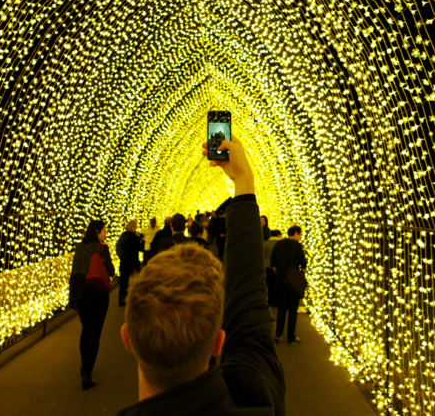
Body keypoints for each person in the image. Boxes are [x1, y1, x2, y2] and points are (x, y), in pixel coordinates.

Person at [117, 135, 285, 416]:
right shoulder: (257, 398)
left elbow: (248, 302)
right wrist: (244, 182)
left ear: (128, 338)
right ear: (217, 342)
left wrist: (244, 185)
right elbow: (248, 299)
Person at [68, 220, 115, 390]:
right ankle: (87, 373)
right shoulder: (102, 248)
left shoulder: (79, 247)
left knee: (85, 329)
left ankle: (83, 365)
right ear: (97, 231)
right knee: (95, 333)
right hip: (97, 294)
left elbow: (75, 269)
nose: (106, 233)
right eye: (104, 230)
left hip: (81, 292)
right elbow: (111, 270)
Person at [270, 226, 307, 345]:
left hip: (280, 281)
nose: (300, 237)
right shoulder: (297, 246)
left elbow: (273, 265)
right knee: (292, 310)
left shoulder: (279, 244)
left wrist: (281, 274)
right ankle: (291, 337)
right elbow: (304, 266)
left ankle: (278, 334)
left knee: (281, 309)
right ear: (295, 233)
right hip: (293, 283)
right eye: (300, 234)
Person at [117, 220, 142, 306]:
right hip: (133, 262)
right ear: (133, 227)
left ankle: (122, 300)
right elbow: (139, 248)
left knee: (123, 282)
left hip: (124, 262)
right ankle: (133, 300)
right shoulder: (134, 237)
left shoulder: (123, 235)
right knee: (134, 282)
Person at [264, 229, 282, 307]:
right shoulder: (280, 244)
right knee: (276, 284)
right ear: (278, 235)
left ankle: (268, 300)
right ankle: (276, 301)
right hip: (277, 266)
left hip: (267, 266)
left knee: (268, 284)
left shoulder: (266, 243)